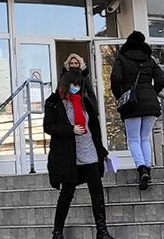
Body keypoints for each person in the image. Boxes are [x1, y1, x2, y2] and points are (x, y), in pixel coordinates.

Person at [44, 70, 114, 239]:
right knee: (67, 194)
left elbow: (94, 128)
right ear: (66, 84)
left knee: (97, 192)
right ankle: (57, 232)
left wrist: (101, 151)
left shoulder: (85, 102)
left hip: (89, 152)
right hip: (69, 157)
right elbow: (49, 127)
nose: (76, 87)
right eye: (73, 84)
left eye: (78, 85)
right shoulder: (54, 102)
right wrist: (71, 129)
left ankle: (102, 231)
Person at [111, 31, 164, 190]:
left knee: (134, 139)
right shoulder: (149, 60)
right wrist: (152, 91)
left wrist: (120, 96)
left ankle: (141, 168)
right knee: (145, 138)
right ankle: (148, 168)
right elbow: (161, 79)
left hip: (131, 103)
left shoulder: (122, 58)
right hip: (150, 102)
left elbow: (116, 79)